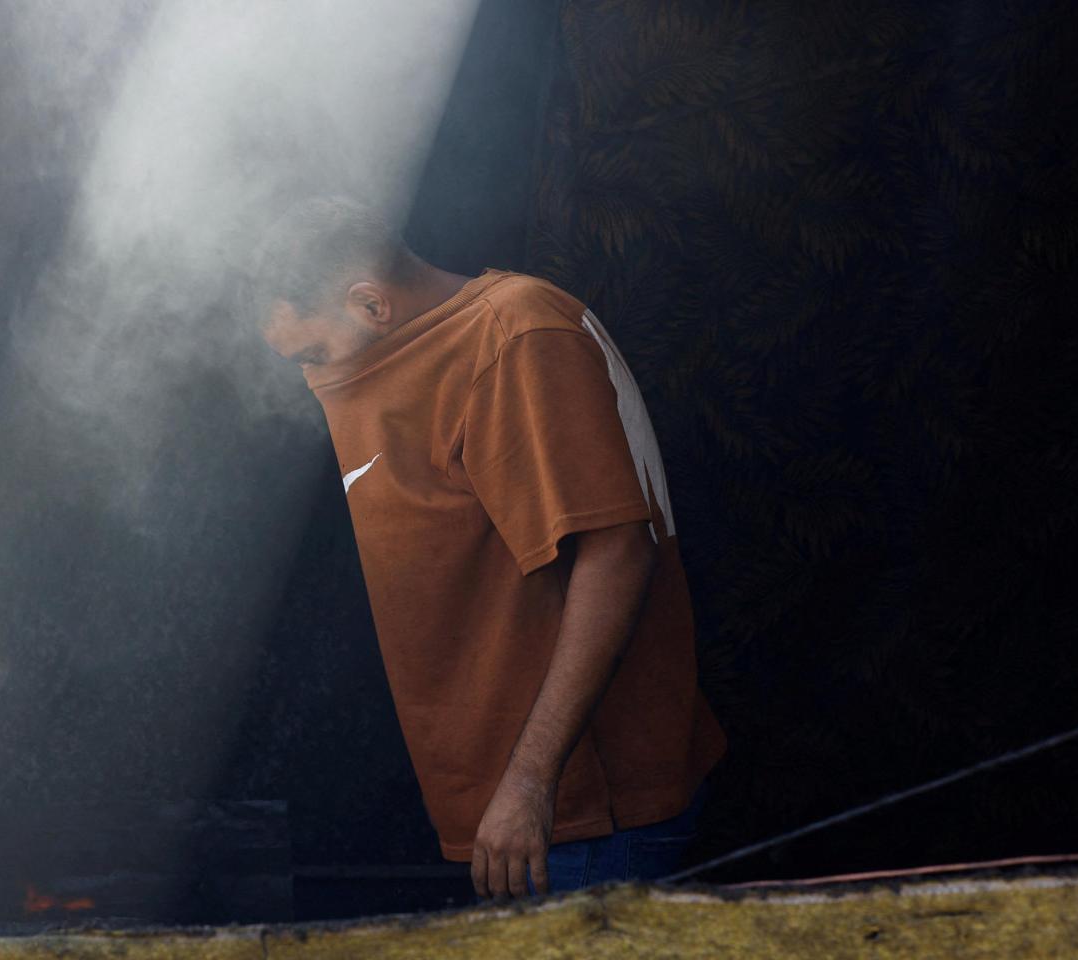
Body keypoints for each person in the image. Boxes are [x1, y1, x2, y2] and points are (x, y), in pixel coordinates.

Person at [249, 197, 726, 900]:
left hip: (582, 814)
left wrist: (532, 782)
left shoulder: (513, 337)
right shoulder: (408, 349)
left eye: (315, 352)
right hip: (519, 818)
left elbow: (619, 553)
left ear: (371, 305)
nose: (313, 375)